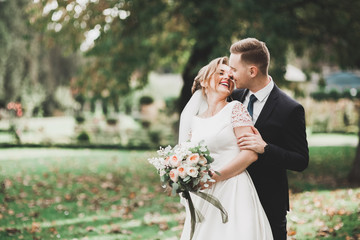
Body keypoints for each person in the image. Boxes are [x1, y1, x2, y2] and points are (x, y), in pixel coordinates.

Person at [179, 56, 273, 239]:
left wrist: (215, 176)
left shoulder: (235, 109)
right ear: (204, 81)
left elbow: (250, 154)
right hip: (205, 194)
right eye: (221, 73)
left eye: (231, 76)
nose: (227, 78)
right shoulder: (195, 121)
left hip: (234, 190)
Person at [228, 37, 309, 240]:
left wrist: (265, 148)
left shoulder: (290, 109)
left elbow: (301, 160)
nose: (230, 74)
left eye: (234, 69)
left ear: (252, 71)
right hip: (233, 196)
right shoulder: (233, 98)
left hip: (269, 202)